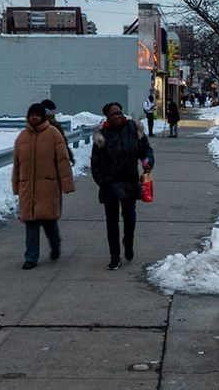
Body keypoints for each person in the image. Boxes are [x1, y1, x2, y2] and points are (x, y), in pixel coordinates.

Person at [13, 103, 76, 269]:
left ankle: (55, 246)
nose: (34, 117)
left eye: (37, 114)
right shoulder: (22, 137)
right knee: (31, 223)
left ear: (42, 116)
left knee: (49, 222)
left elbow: (62, 160)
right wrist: (16, 186)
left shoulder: (53, 134)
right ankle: (31, 257)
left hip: (48, 186)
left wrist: (67, 184)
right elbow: (17, 165)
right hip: (28, 188)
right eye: (31, 114)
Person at [91, 101, 153, 270]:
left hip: (129, 181)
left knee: (130, 219)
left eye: (119, 112)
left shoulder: (134, 128)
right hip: (109, 184)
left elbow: (146, 150)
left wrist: (147, 162)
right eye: (114, 114)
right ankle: (115, 256)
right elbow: (95, 162)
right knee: (111, 222)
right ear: (107, 117)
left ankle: (129, 240)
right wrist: (102, 181)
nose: (118, 116)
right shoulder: (100, 135)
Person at [40, 98, 74, 165]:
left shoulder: (34, 125)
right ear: (49, 111)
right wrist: (70, 157)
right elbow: (63, 142)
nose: (55, 112)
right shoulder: (54, 125)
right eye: (53, 110)